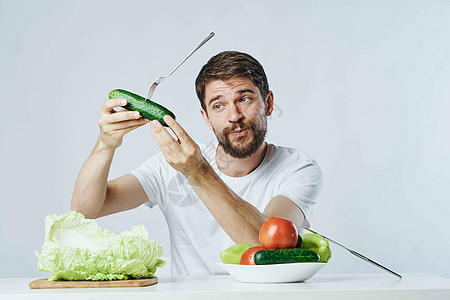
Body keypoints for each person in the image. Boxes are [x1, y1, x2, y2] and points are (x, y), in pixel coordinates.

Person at [71, 51, 323, 276]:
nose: (234, 115)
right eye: (219, 105)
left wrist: (198, 172)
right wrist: (105, 144)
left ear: (268, 103)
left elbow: (267, 247)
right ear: (206, 117)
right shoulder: (170, 165)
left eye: (244, 99)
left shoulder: (297, 168)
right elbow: (86, 209)